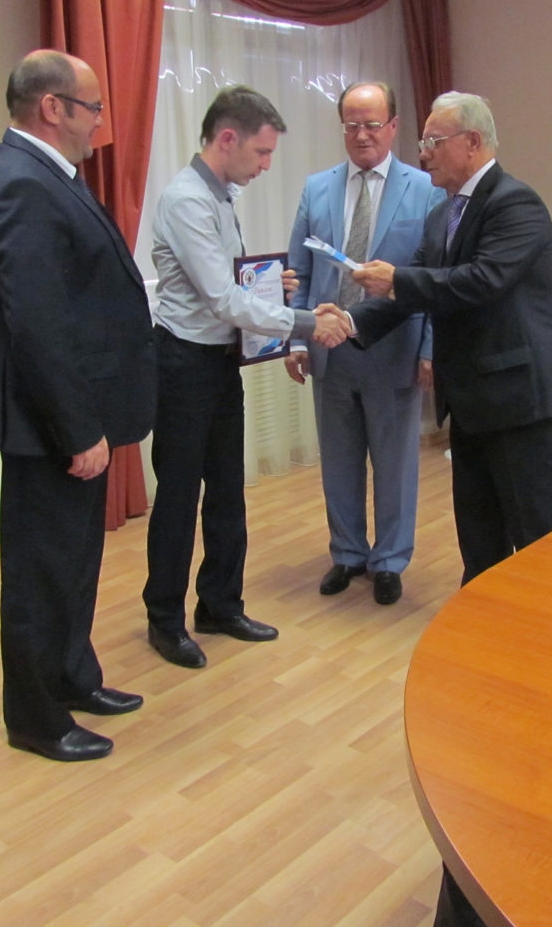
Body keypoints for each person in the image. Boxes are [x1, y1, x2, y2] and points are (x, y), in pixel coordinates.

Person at [349, 91, 552, 924]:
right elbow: (415, 294)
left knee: (544, 550)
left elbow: (477, 285)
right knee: (482, 548)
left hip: (522, 404)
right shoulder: (445, 212)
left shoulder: (516, 204)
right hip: (472, 408)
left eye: (434, 141)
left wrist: (399, 278)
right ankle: (492, 671)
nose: (423, 152)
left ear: (472, 143)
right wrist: (353, 322)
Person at [0, 50, 156, 762]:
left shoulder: (48, 175)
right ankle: (37, 718)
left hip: (76, 415)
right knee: (41, 576)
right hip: (50, 427)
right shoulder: (20, 182)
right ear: (53, 108)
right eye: (93, 108)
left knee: (74, 564)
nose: (99, 124)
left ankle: (74, 676)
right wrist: (77, 429)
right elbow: (38, 324)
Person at [145, 85, 349, 669]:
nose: (266, 166)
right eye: (261, 152)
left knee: (227, 490)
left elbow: (228, 284)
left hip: (217, 362)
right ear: (227, 138)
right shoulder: (186, 200)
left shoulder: (219, 195)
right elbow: (220, 299)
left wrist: (270, 285)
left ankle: (220, 605)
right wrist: (306, 321)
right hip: (183, 364)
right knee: (179, 498)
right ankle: (165, 620)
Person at [285, 82, 444, 605]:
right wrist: (297, 340)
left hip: (395, 349)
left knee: (395, 465)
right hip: (328, 349)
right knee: (339, 461)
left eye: (372, 124)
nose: (361, 135)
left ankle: (390, 560)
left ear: (394, 126)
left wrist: (430, 349)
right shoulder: (317, 189)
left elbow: (434, 278)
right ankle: (348, 552)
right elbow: (299, 272)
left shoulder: (425, 189)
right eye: (351, 125)